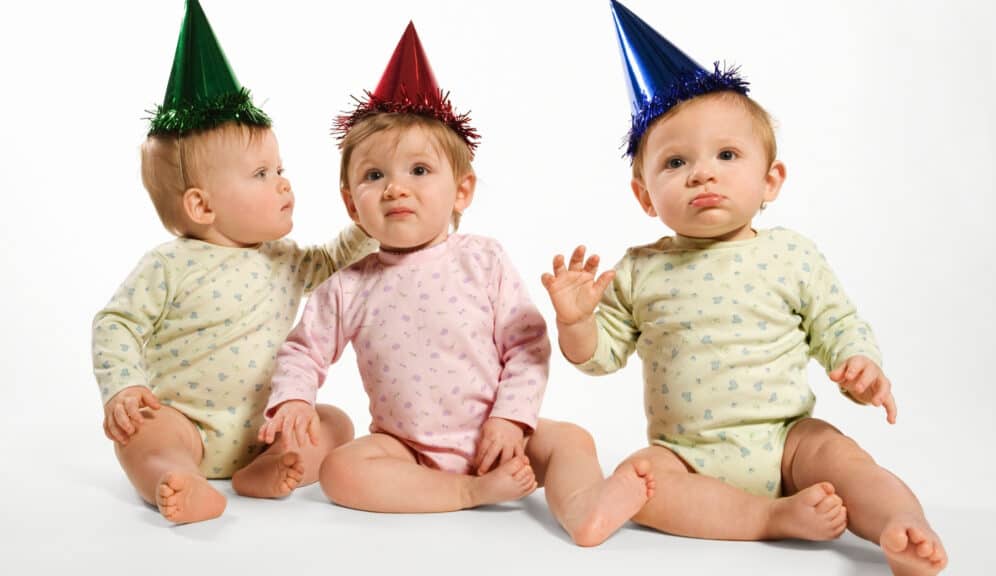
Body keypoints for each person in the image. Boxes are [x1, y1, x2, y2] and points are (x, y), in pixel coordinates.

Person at [541, 2, 947, 572]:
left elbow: (836, 322)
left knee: (847, 461)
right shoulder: (638, 269)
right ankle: (768, 519)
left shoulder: (790, 254)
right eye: (676, 161)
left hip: (788, 440)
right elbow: (599, 358)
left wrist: (859, 364)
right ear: (645, 195)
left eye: (727, 155)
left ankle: (903, 528)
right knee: (644, 481)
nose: (702, 173)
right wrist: (575, 321)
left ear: (769, 179)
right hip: (687, 453)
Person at [260, 22, 654, 547]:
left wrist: (512, 421)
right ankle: (464, 494)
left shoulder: (482, 260)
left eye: (419, 169)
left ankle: (586, 509)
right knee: (341, 471)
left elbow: (527, 347)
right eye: (374, 176)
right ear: (352, 203)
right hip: (405, 447)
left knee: (572, 440)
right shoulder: (348, 286)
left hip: (500, 437)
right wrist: (293, 400)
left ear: (461, 190)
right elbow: (303, 352)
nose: (395, 186)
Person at [91, 0, 376, 525]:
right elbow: (117, 323)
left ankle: (267, 469)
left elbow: (334, 262)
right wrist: (127, 386)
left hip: (268, 424)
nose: (283, 182)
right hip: (187, 422)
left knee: (334, 423)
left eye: (280, 168)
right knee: (143, 436)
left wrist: (366, 226)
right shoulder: (169, 264)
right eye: (261, 174)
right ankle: (173, 477)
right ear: (202, 205)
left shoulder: (285, 260)